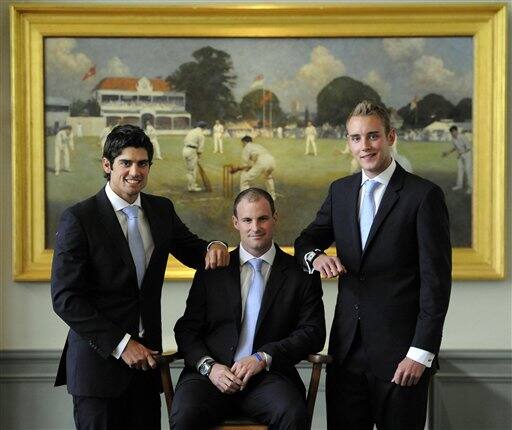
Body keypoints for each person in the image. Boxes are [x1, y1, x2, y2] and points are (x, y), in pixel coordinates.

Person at [51, 124, 230, 430]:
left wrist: (217, 245)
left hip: (148, 369)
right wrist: (122, 345)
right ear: (107, 166)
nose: (135, 172)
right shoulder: (79, 219)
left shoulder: (161, 209)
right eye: (126, 163)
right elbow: (66, 299)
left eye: (142, 163)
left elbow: (194, 250)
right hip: (99, 369)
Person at [294, 100, 452, 430]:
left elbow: (436, 284)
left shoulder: (423, 196)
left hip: (402, 357)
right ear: (348, 143)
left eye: (372, 136)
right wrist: (317, 257)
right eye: (355, 138)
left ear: (390, 136)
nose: (364, 146)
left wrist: (420, 354)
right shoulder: (340, 191)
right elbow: (305, 242)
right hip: (346, 354)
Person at [170, 188, 325, 430]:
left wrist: (263, 357)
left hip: (269, 378)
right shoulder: (213, 270)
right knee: (185, 415)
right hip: (211, 376)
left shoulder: (300, 274)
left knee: (292, 414)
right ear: (235, 222)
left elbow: (313, 332)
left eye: (262, 218)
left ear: (275, 218)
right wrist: (209, 367)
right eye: (247, 220)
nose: (256, 227)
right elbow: (187, 330)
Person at [231, 135, 276, 200]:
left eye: (242, 143)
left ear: (244, 142)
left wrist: (236, 169)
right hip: (272, 161)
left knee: (244, 178)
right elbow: (253, 165)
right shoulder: (257, 146)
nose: (242, 145)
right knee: (268, 177)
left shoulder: (246, 147)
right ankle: (272, 196)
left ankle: (245, 198)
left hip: (262, 162)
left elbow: (245, 166)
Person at [442, 125, 472, 194]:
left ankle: (470, 188)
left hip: (467, 155)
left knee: (468, 171)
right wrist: (447, 153)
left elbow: (469, 147)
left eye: (454, 132)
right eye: (451, 132)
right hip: (460, 156)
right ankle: (459, 185)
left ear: (456, 131)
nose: (453, 133)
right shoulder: (453, 139)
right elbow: (454, 148)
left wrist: (461, 152)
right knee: (460, 170)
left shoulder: (463, 137)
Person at [182, 121, 207, 192]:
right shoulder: (201, 134)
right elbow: (200, 148)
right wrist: (199, 156)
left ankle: (191, 184)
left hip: (185, 149)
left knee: (189, 169)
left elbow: (184, 140)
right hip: (192, 151)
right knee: (192, 170)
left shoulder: (192, 131)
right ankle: (191, 187)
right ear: (204, 128)